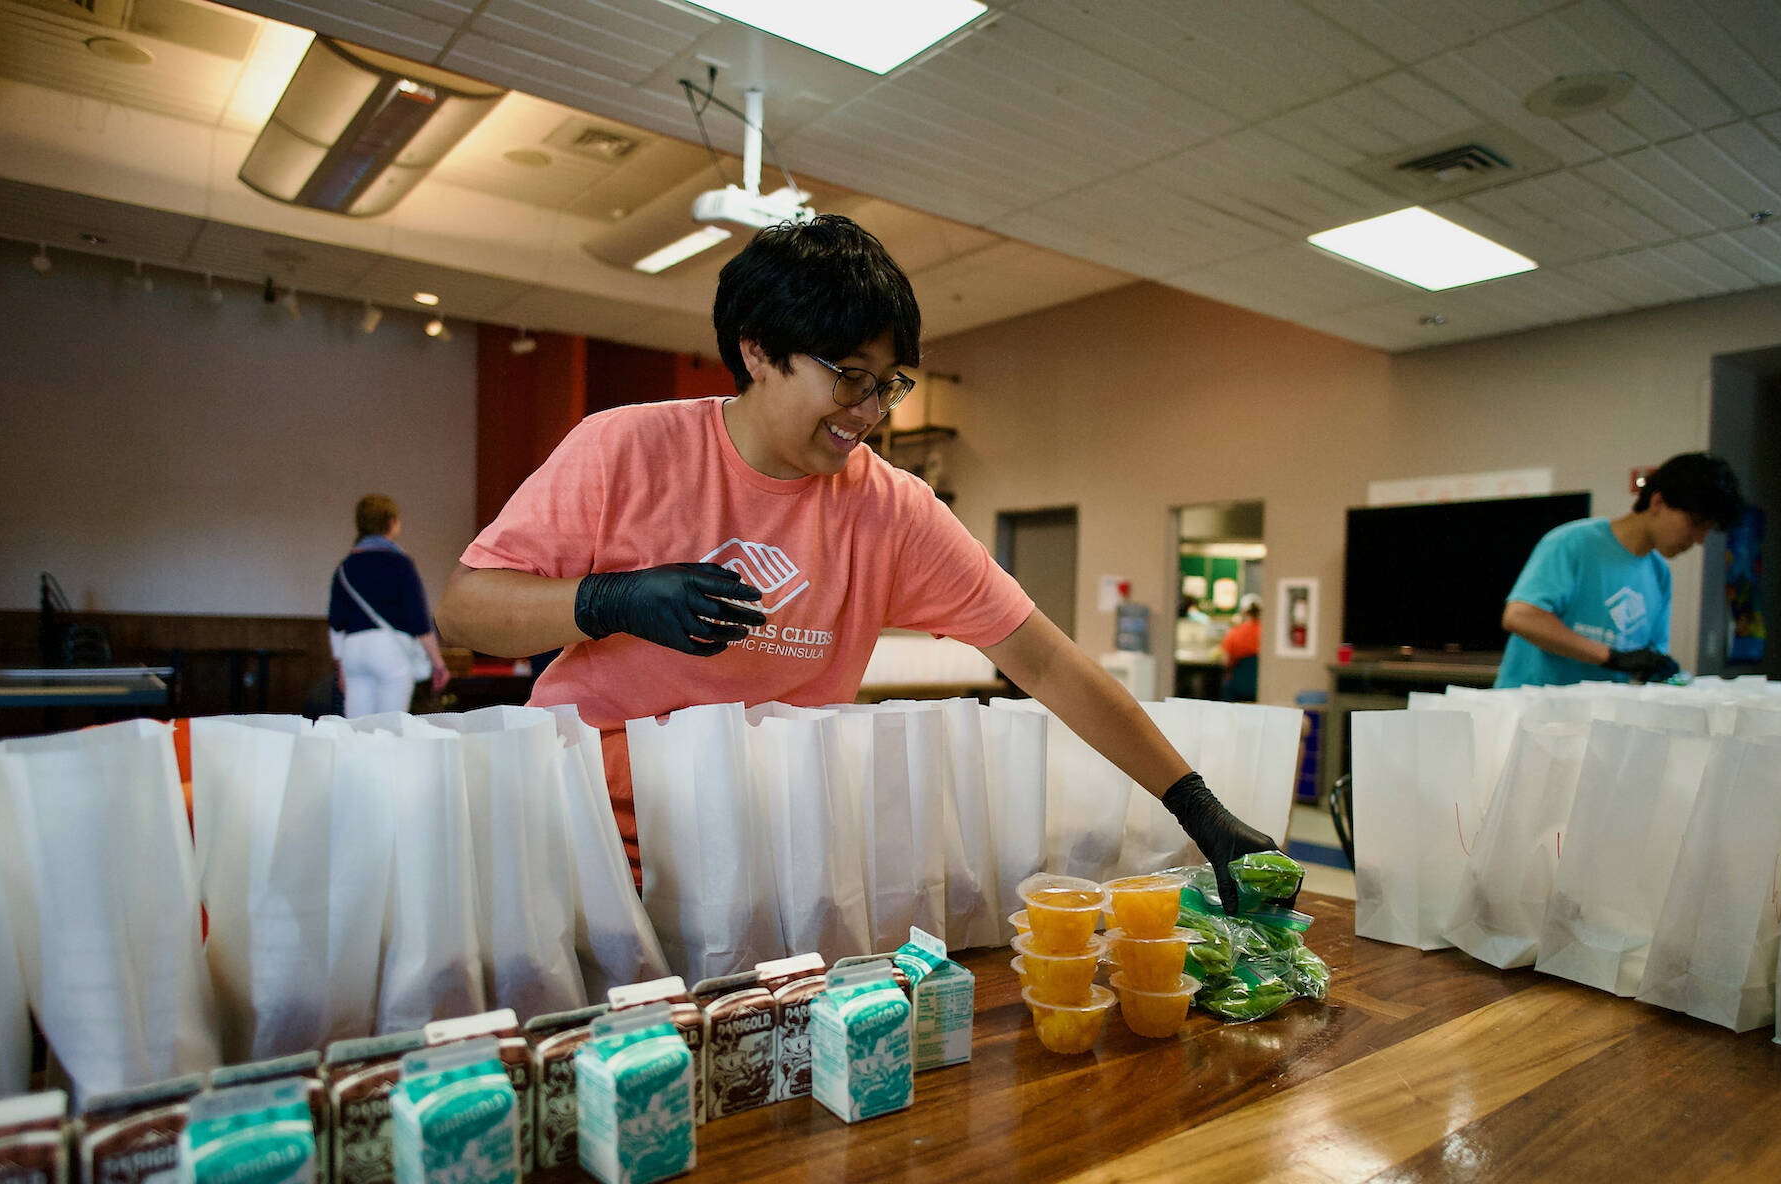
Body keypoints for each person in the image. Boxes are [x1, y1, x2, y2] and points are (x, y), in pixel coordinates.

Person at [436, 215, 1277, 904]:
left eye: (888, 382)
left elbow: (1046, 660)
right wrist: (608, 601)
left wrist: (1195, 804)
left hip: (759, 855)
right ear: (758, 349)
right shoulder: (625, 448)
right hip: (582, 837)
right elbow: (464, 610)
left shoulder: (891, 511)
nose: (871, 410)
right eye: (849, 376)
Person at [1495, 453, 1742, 688]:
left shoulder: (1659, 574)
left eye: (1707, 530)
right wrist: (1610, 657)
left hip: (1597, 713)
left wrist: (1656, 667)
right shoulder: (1573, 543)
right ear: (1658, 503)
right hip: (1532, 709)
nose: (1699, 539)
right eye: (1696, 524)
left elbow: (1651, 653)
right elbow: (1521, 617)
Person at [329, 493, 450, 716]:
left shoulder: (345, 567)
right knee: (389, 725)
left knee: (357, 727)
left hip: (353, 651)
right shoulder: (400, 564)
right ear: (391, 523)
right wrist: (437, 662)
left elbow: (336, 622)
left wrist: (340, 667)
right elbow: (419, 621)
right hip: (389, 650)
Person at [1219, 596, 1262, 702]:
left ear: (1243, 612)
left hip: (1238, 687)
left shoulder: (1234, 633)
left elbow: (1226, 662)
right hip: (1260, 686)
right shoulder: (1266, 633)